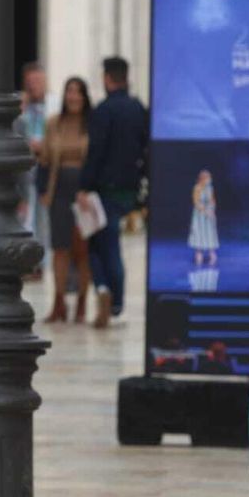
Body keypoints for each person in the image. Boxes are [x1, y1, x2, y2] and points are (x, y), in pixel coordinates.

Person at [78, 56, 149, 328]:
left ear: (107, 78)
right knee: (111, 244)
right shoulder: (138, 109)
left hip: (104, 189)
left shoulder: (103, 111)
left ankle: (108, 293)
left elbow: (95, 152)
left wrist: (84, 186)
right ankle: (114, 299)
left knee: (100, 246)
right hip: (129, 189)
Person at [39, 76, 93, 322]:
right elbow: (44, 159)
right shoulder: (53, 123)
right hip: (58, 190)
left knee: (82, 250)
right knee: (59, 248)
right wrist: (42, 191)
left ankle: (82, 302)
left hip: (84, 194)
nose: (73, 96)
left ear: (84, 96)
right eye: (69, 91)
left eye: (78, 92)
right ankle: (58, 302)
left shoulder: (93, 124)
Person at [15, 62, 49, 281]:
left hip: (46, 168)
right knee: (23, 217)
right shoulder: (21, 107)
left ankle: (40, 264)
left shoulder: (54, 106)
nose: (33, 85)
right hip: (24, 171)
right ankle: (25, 263)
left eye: (37, 81)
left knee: (42, 221)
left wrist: (44, 145)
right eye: (30, 82)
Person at [188, 170, 219, 268]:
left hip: (209, 213)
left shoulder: (210, 188)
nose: (209, 180)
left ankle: (212, 255)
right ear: (203, 179)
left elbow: (213, 200)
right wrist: (205, 211)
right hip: (200, 215)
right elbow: (196, 202)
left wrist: (212, 210)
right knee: (199, 233)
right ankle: (199, 254)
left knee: (209, 233)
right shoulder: (197, 188)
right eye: (208, 178)